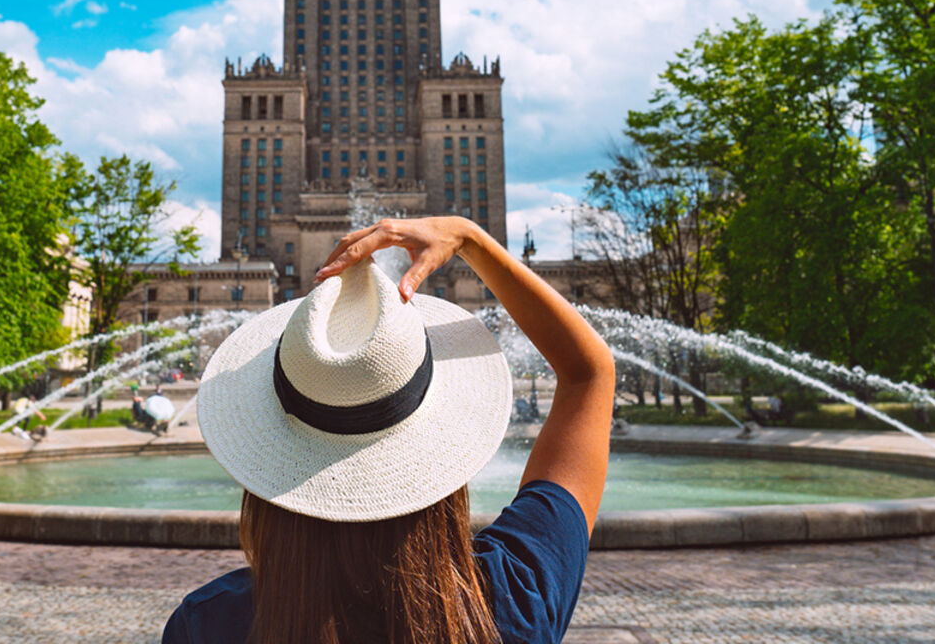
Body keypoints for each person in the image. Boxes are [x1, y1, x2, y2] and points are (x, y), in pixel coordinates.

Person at [162, 216, 614, 644]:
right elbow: (588, 374)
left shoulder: (209, 622)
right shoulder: (512, 598)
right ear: (437, 446)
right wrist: (468, 237)